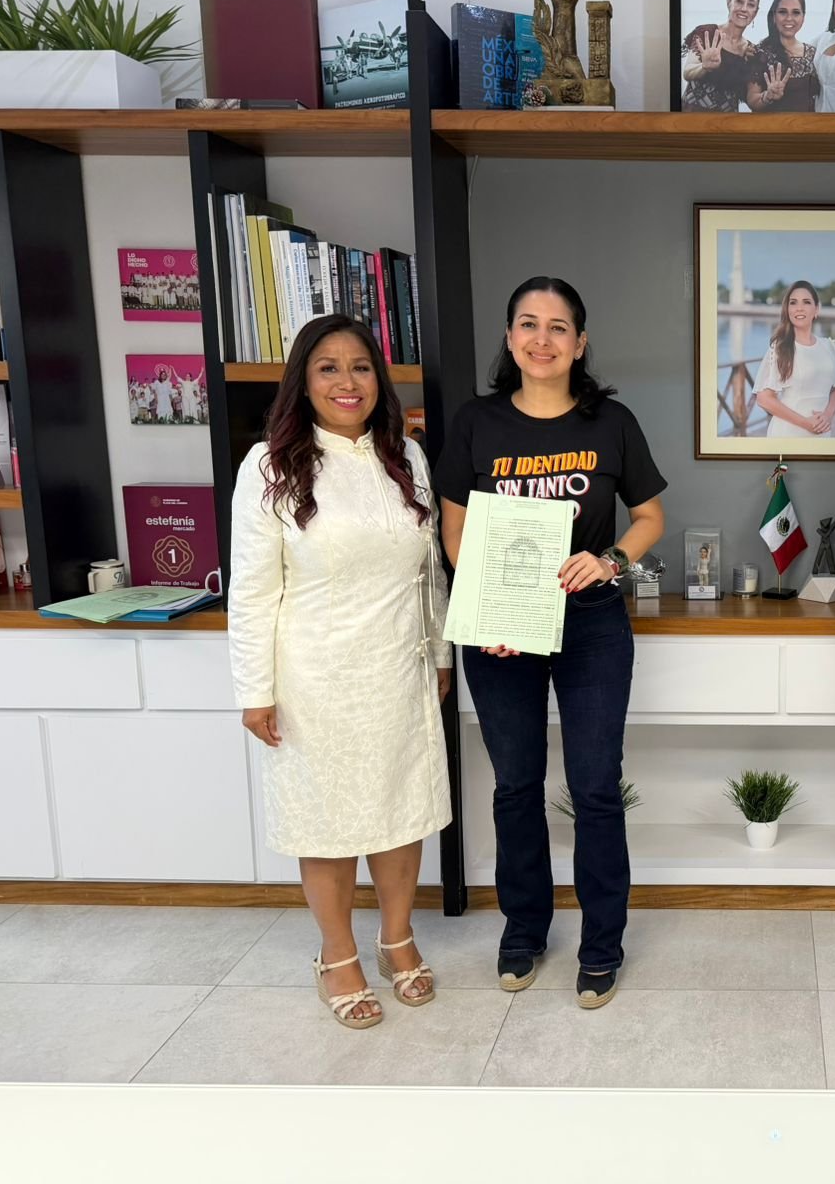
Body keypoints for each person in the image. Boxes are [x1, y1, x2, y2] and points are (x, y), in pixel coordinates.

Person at [436, 277, 667, 1011]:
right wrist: (489, 611)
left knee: (596, 786)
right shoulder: (476, 423)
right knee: (515, 785)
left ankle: (603, 944)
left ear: (580, 342)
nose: (543, 339)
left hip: (592, 621)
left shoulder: (612, 423)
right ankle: (523, 930)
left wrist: (613, 561)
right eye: (528, 325)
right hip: (501, 628)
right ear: (510, 339)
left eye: (559, 327)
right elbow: (455, 532)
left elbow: (650, 517)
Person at [229, 313, 451, 1031]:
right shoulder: (269, 466)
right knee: (326, 824)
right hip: (315, 677)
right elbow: (254, 591)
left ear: (377, 380)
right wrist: (254, 691)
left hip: (399, 664)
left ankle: (397, 940)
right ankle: (337, 956)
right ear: (304, 380)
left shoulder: (405, 459)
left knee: (400, 810)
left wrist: (441, 651)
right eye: (328, 367)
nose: (347, 381)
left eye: (360, 367)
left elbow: (430, 571)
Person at [753, 280, 835, 437]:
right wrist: (806, 423)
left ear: (816, 309)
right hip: (787, 434)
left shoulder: (829, 346)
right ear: (787, 309)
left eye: (806, 302)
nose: (799, 308)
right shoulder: (780, 348)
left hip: (822, 433)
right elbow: (763, 398)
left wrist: (828, 416)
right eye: (793, 303)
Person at [680, 0, 762, 112]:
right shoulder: (707, 32)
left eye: (751, 5)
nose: (744, 8)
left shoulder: (751, 52)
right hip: (691, 118)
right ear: (729, 3)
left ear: (755, 12)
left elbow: (751, 98)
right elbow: (687, 72)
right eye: (739, 1)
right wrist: (704, 67)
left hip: (727, 124)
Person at [748, 0, 819, 112]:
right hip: (772, 128)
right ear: (774, 16)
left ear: (803, 17)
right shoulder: (760, 53)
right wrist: (768, 96)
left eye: (796, 12)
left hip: (806, 128)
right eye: (782, 12)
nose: (789, 18)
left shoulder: (812, 53)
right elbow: (752, 101)